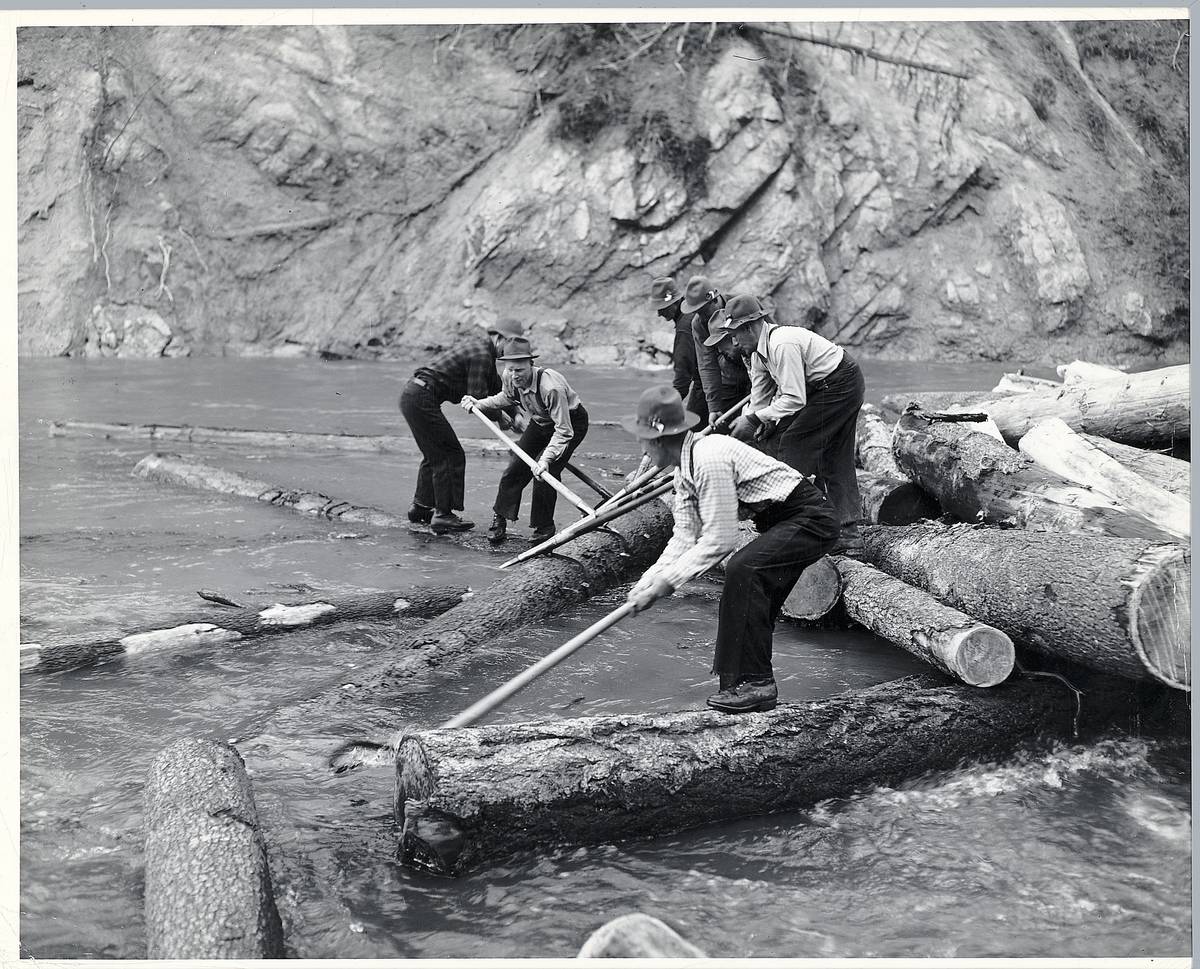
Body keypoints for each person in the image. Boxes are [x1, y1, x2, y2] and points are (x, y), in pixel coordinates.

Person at [622, 386, 839, 713]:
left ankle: (756, 684)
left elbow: (720, 540)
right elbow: (684, 537)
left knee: (744, 569)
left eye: (642, 440)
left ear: (658, 440)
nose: (641, 449)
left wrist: (667, 585)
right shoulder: (685, 471)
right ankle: (738, 686)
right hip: (781, 522)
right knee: (752, 597)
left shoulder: (709, 458)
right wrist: (648, 582)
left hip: (810, 519)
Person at [716, 295, 866, 555]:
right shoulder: (757, 355)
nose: (734, 343)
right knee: (830, 456)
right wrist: (749, 423)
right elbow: (759, 398)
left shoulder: (781, 344)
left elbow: (795, 399)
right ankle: (844, 532)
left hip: (840, 383)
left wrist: (754, 420)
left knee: (795, 447)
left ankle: (813, 522)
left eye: (736, 335)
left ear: (749, 328)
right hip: (826, 386)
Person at [399, 318, 522, 534]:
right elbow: (478, 397)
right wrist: (500, 417)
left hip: (413, 394)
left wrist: (514, 412)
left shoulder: (482, 351)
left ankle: (420, 509)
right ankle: (443, 515)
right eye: (509, 343)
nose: (510, 350)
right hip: (420, 397)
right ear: (499, 337)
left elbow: (494, 386)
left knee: (434, 454)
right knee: (450, 454)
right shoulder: (482, 354)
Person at [462, 337, 589, 545]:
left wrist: (546, 459)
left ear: (531, 364)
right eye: (510, 370)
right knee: (515, 468)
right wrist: (480, 403)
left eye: (519, 370)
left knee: (544, 473)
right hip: (540, 422)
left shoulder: (551, 387)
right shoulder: (509, 376)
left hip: (570, 424)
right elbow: (506, 397)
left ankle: (544, 527)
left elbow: (563, 430)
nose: (514, 375)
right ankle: (500, 518)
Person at [650, 276, 709, 426]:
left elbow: (683, 375)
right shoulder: (692, 314)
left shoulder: (685, 327)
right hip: (715, 380)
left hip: (707, 384)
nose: (659, 314)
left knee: (692, 432)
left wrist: (667, 406)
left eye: (661, 308)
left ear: (674, 303)